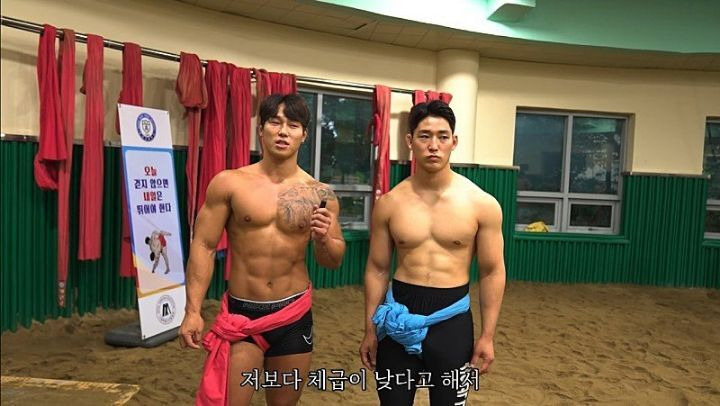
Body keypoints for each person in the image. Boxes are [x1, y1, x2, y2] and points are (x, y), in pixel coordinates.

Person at [179, 93, 346, 406]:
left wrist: (324, 239)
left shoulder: (320, 194)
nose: (283, 131)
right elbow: (203, 245)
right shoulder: (230, 183)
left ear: (304, 135)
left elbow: (332, 260)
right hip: (243, 314)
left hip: (293, 315)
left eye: (293, 125)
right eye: (275, 122)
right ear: (261, 130)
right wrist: (192, 310)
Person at [359, 100, 506, 405]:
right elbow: (377, 268)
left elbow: (492, 271)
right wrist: (370, 329)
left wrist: (488, 335)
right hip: (398, 317)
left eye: (442, 136)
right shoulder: (390, 203)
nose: (433, 145)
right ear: (410, 141)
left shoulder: (482, 204)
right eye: (424, 136)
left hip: (451, 320)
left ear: (454, 141)